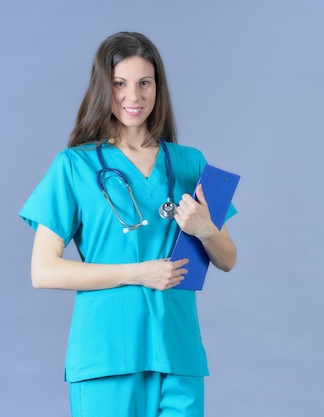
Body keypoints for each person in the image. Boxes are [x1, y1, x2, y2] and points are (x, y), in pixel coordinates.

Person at [19, 31, 237, 417]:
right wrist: (138, 273)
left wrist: (205, 228)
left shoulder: (189, 164)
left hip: (178, 353)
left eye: (144, 83)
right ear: (104, 88)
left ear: (158, 87)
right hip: (107, 356)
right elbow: (43, 270)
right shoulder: (75, 166)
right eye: (120, 84)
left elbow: (228, 258)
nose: (133, 97)